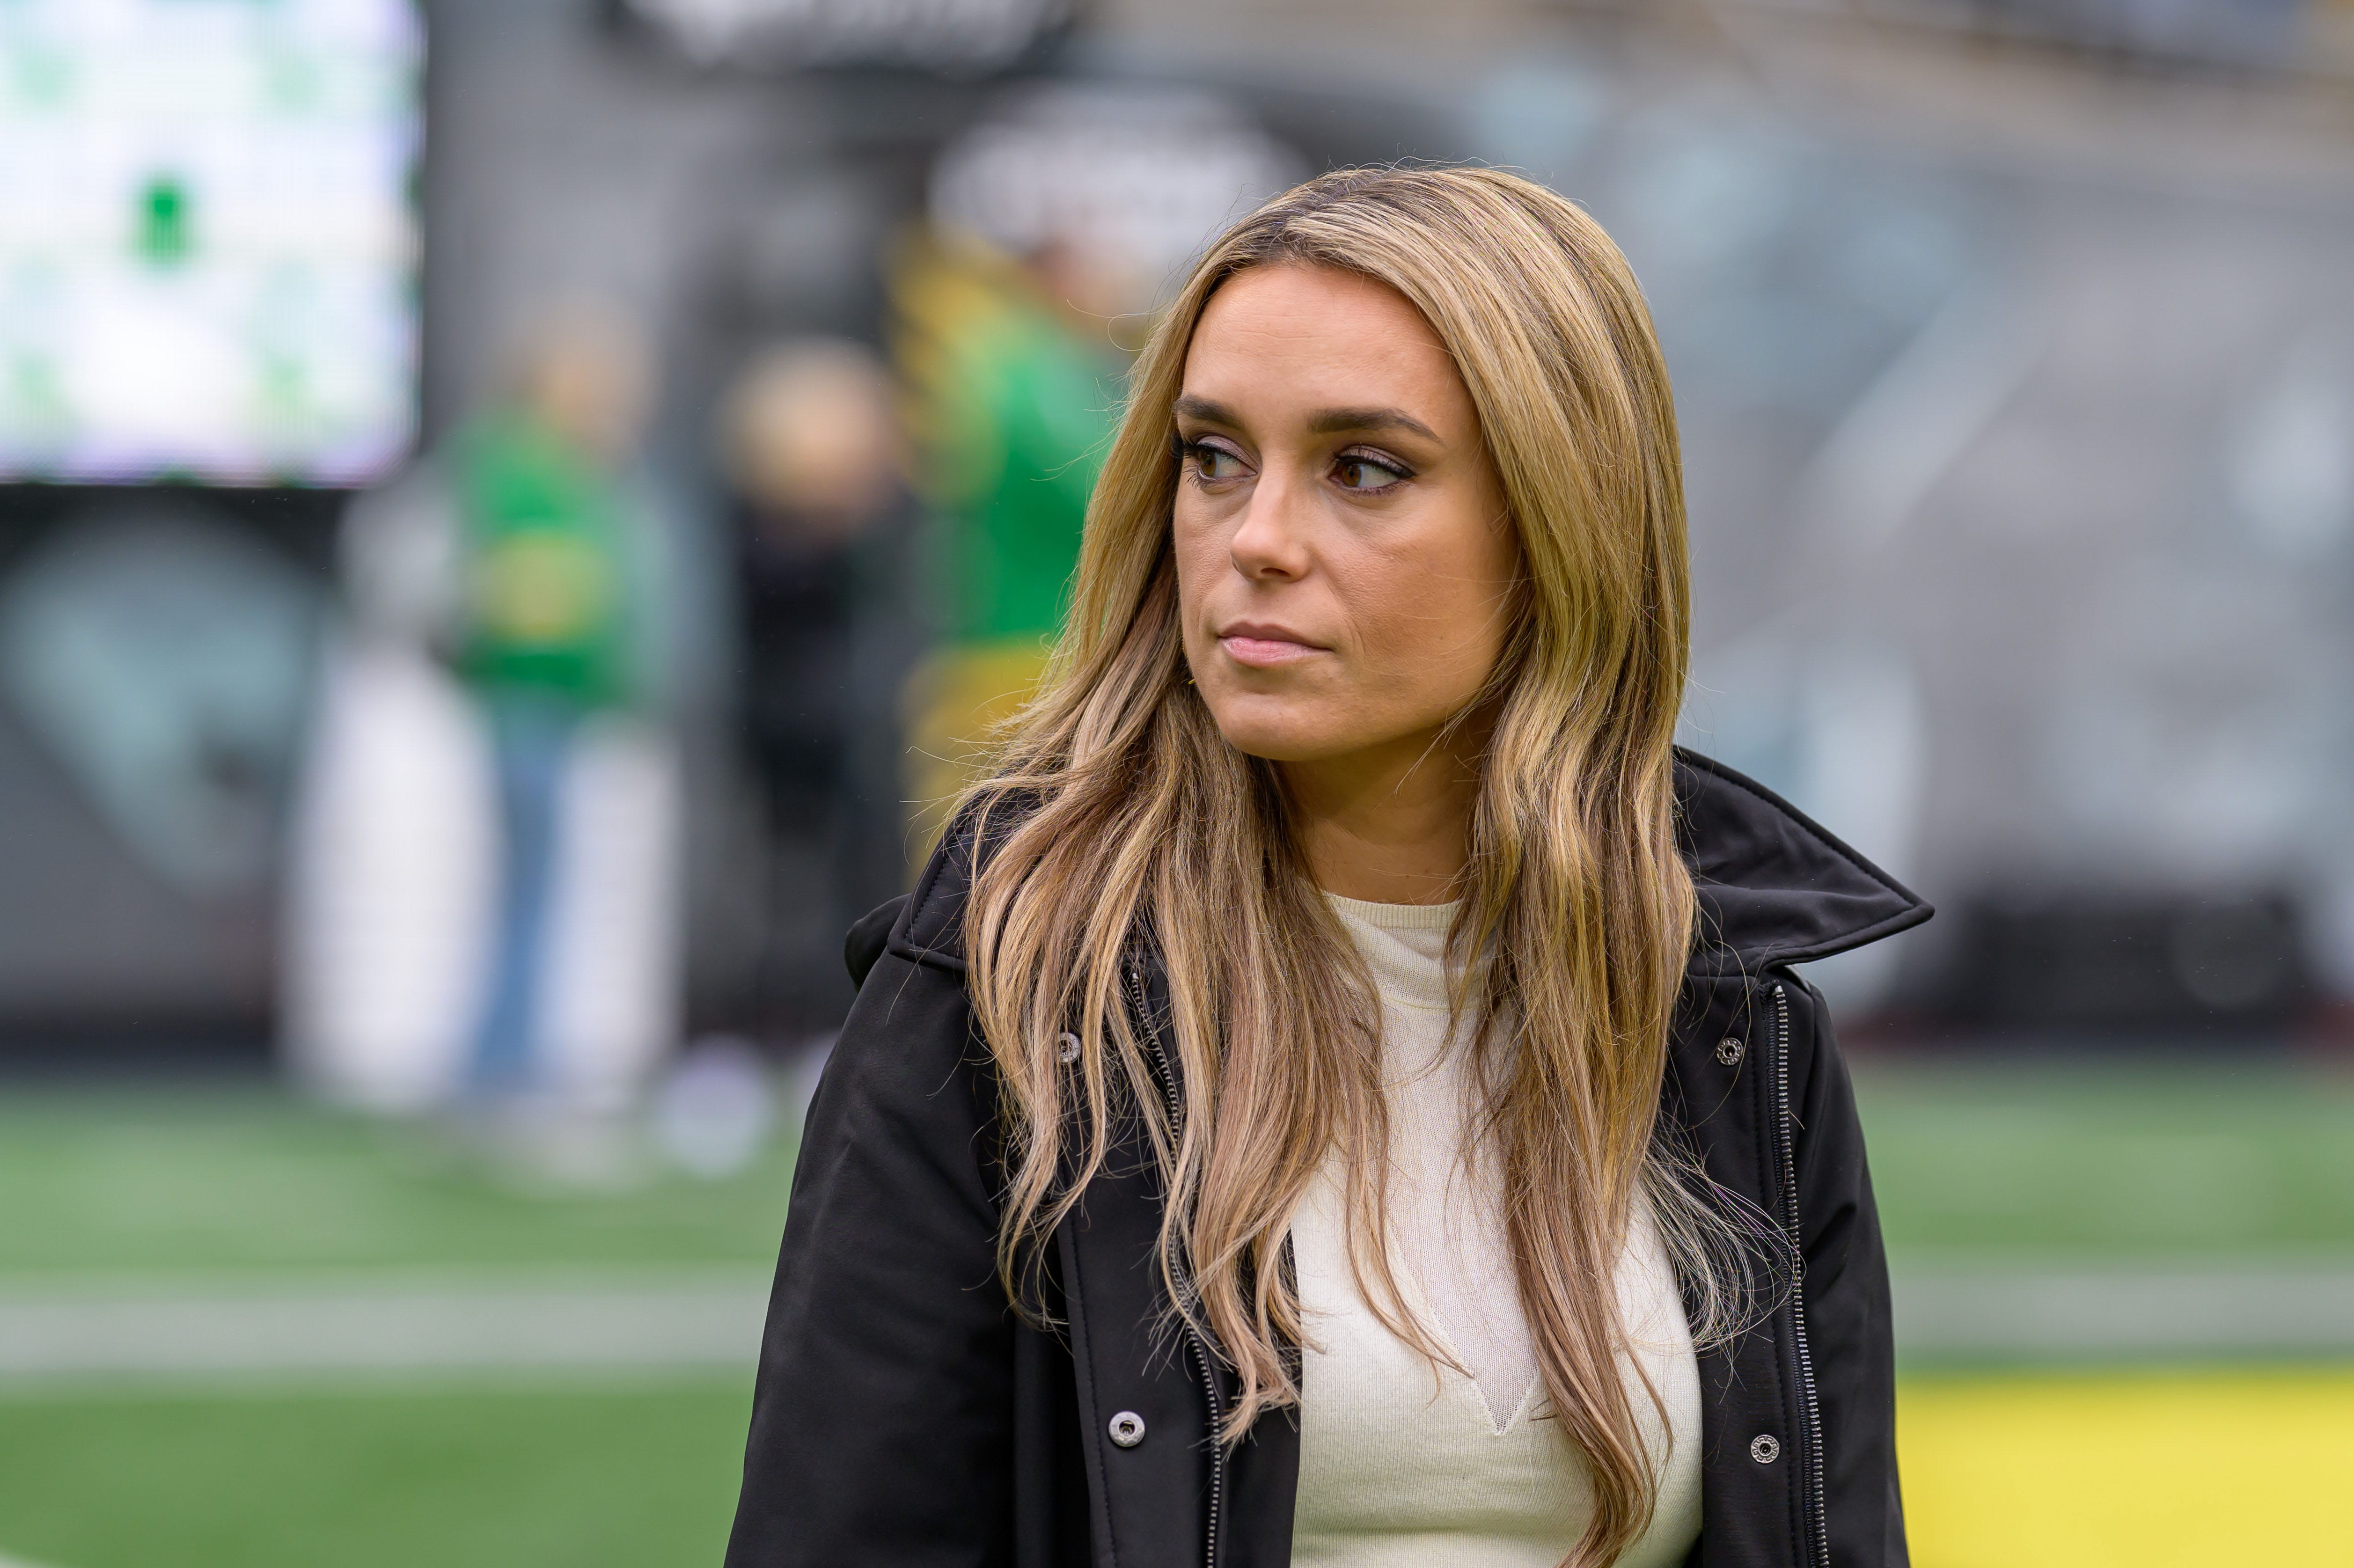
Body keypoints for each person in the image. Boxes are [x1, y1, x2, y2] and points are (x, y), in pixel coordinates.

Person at [727, 168, 1929, 1568]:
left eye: (1365, 469)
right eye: (1214, 457)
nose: (1257, 542)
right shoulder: (999, 995)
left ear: (1562, 523)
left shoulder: (1735, 1024)